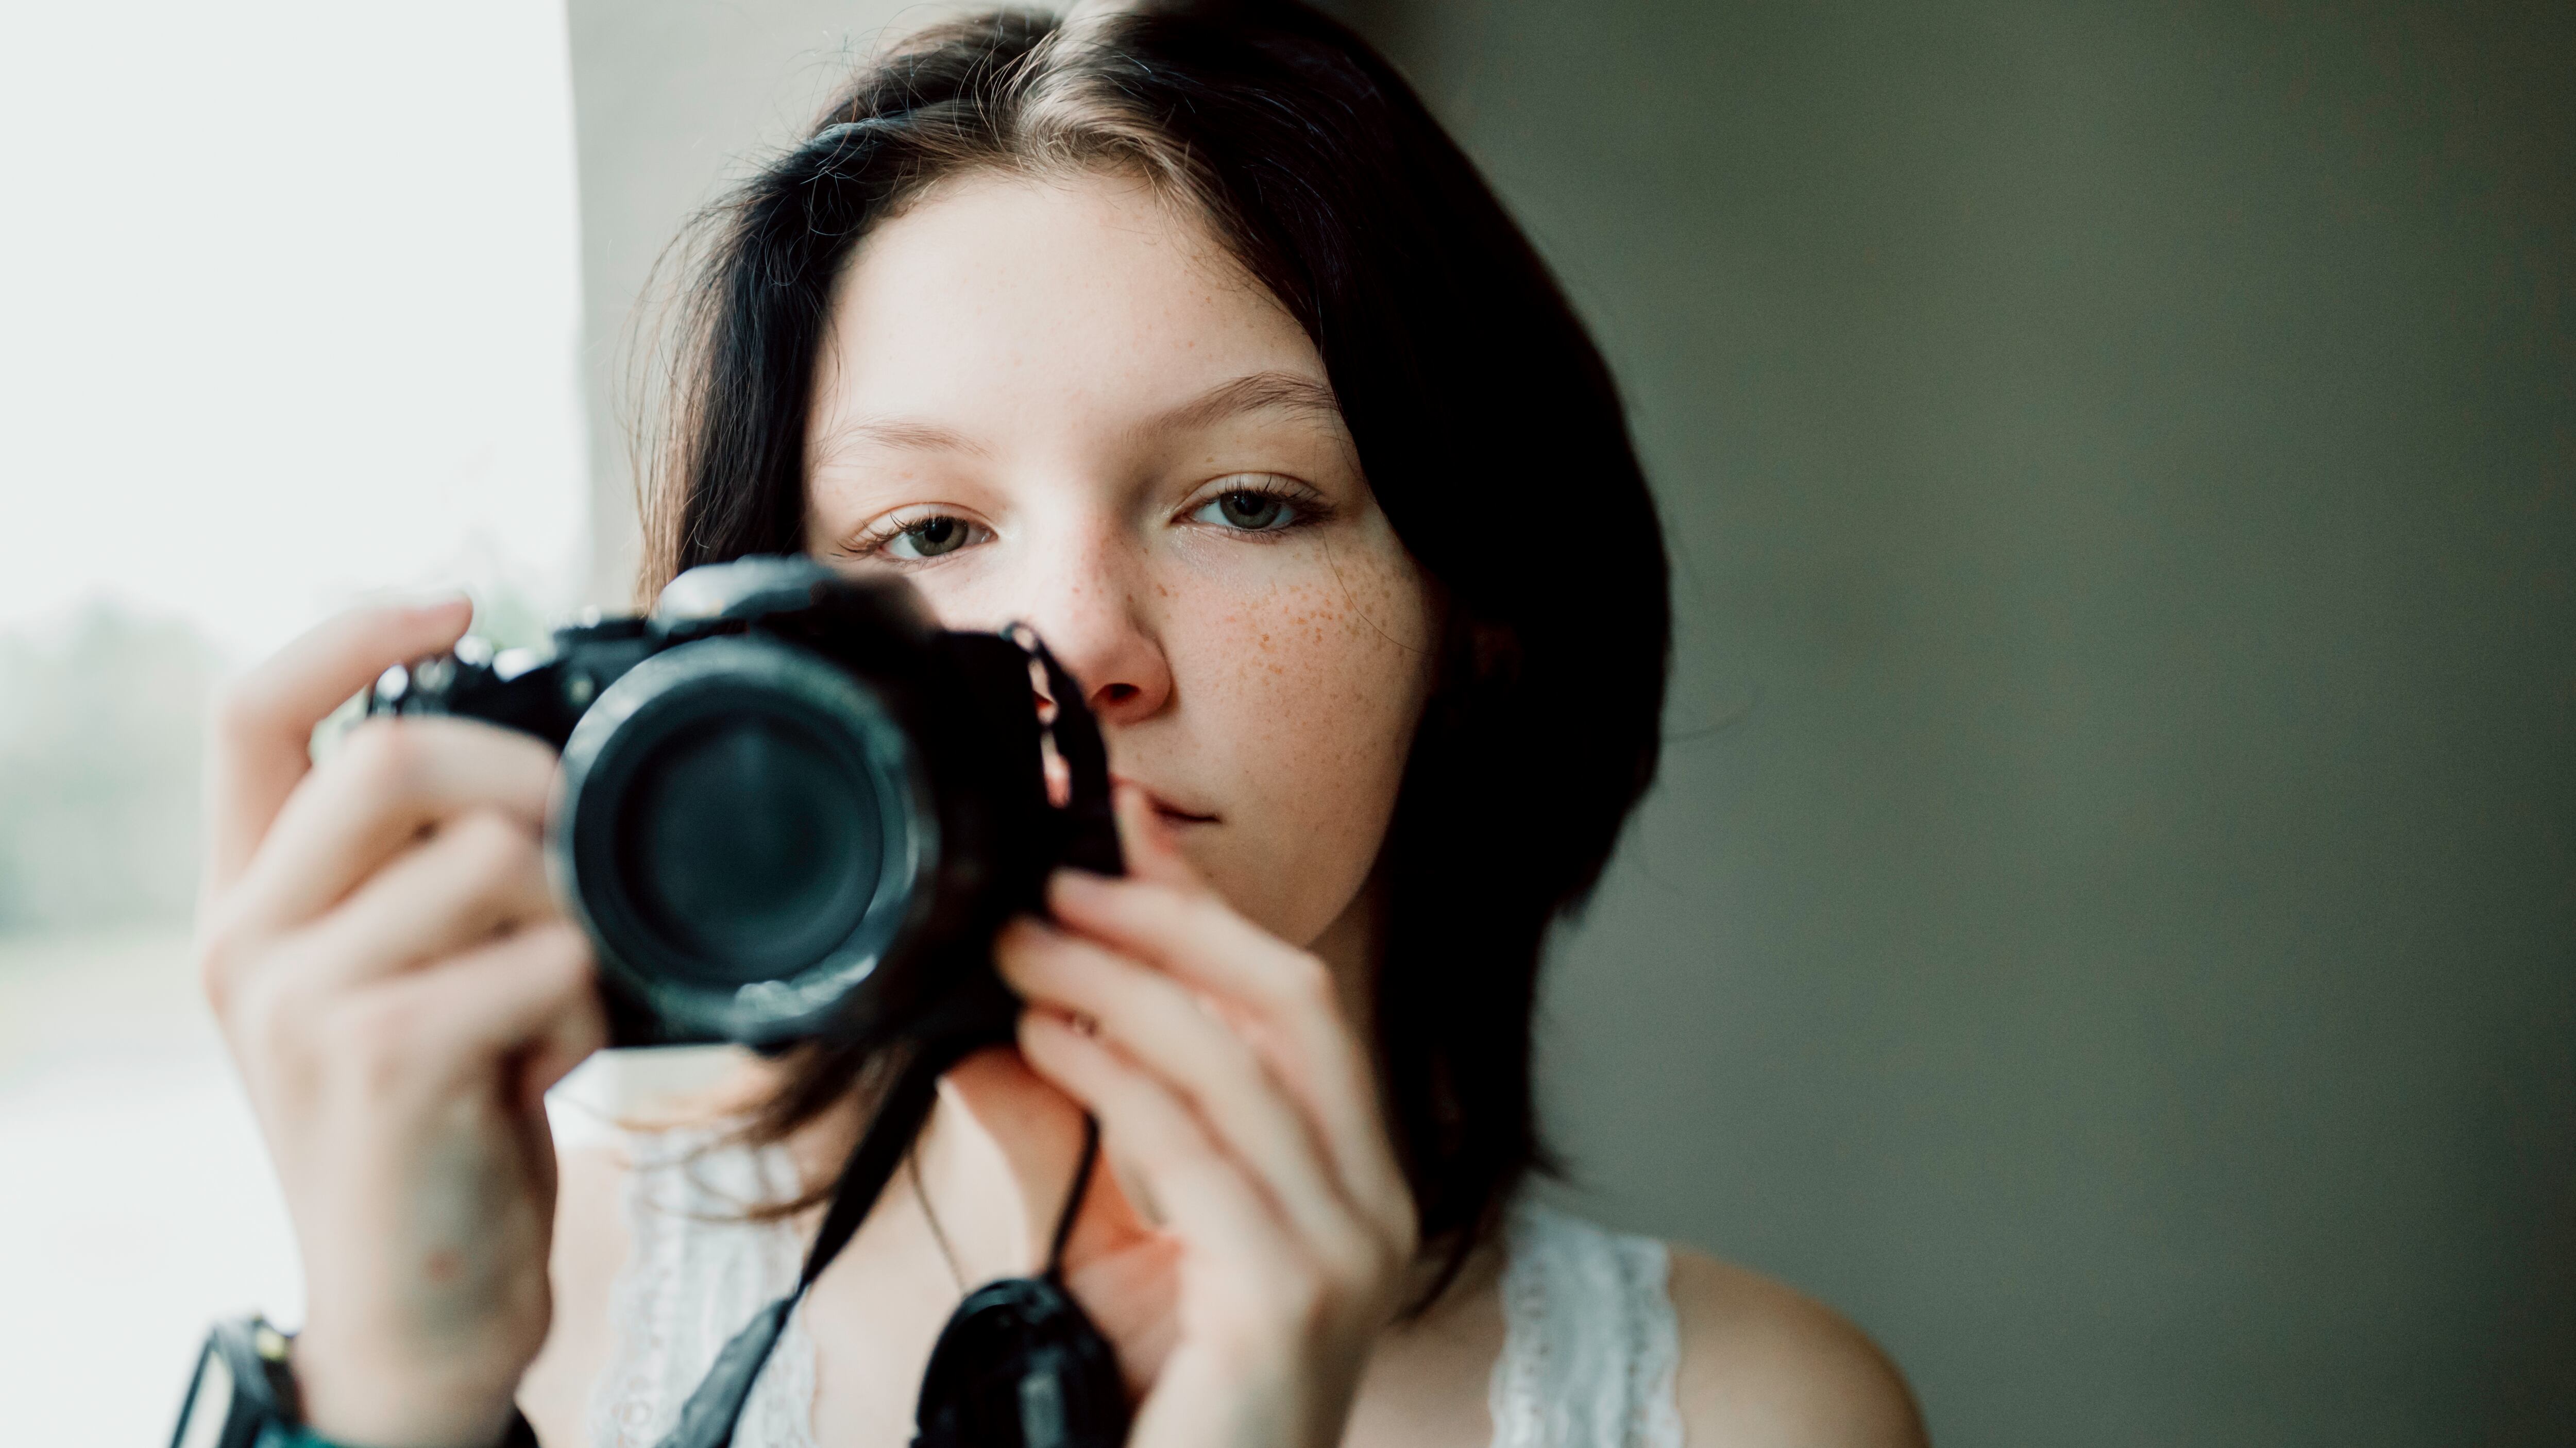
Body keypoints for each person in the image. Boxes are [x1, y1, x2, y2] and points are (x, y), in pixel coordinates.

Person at [191, 3, 1929, 1444]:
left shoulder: (1754, 1411)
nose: (1081, 643)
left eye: (1249, 502)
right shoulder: (524, 1321)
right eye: (929, 534)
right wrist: (384, 1398)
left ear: (1473, 607)